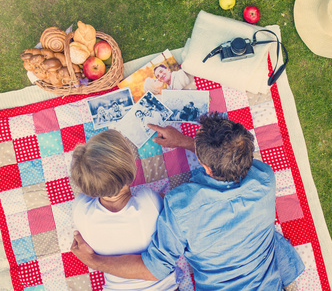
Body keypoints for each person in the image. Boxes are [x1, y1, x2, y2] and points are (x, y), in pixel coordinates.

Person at [71, 113, 304, 290]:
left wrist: (93, 260)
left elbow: (155, 269)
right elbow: (227, 160)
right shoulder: (265, 176)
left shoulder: (180, 204)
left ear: (203, 165)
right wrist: (184, 141)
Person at [70, 129, 179, 291]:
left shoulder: (80, 209)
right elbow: (169, 204)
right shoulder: (149, 201)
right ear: (131, 170)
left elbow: (84, 193)